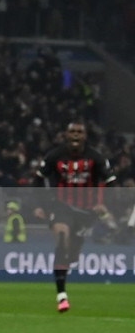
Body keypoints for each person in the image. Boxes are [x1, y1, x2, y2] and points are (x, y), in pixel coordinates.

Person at [33, 121, 115, 312]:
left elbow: (111, 181)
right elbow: (38, 179)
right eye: (72, 132)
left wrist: (105, 204)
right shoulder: (55, 155)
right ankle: (62, 296)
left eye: (79, 132)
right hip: (61, 206)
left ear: (85, 136)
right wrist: (39, 205)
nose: (76, 135)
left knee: (72, 255)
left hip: (86, 212)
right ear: (66, 135)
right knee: (62, 239)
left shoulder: (95, 157)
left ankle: (64, 265)